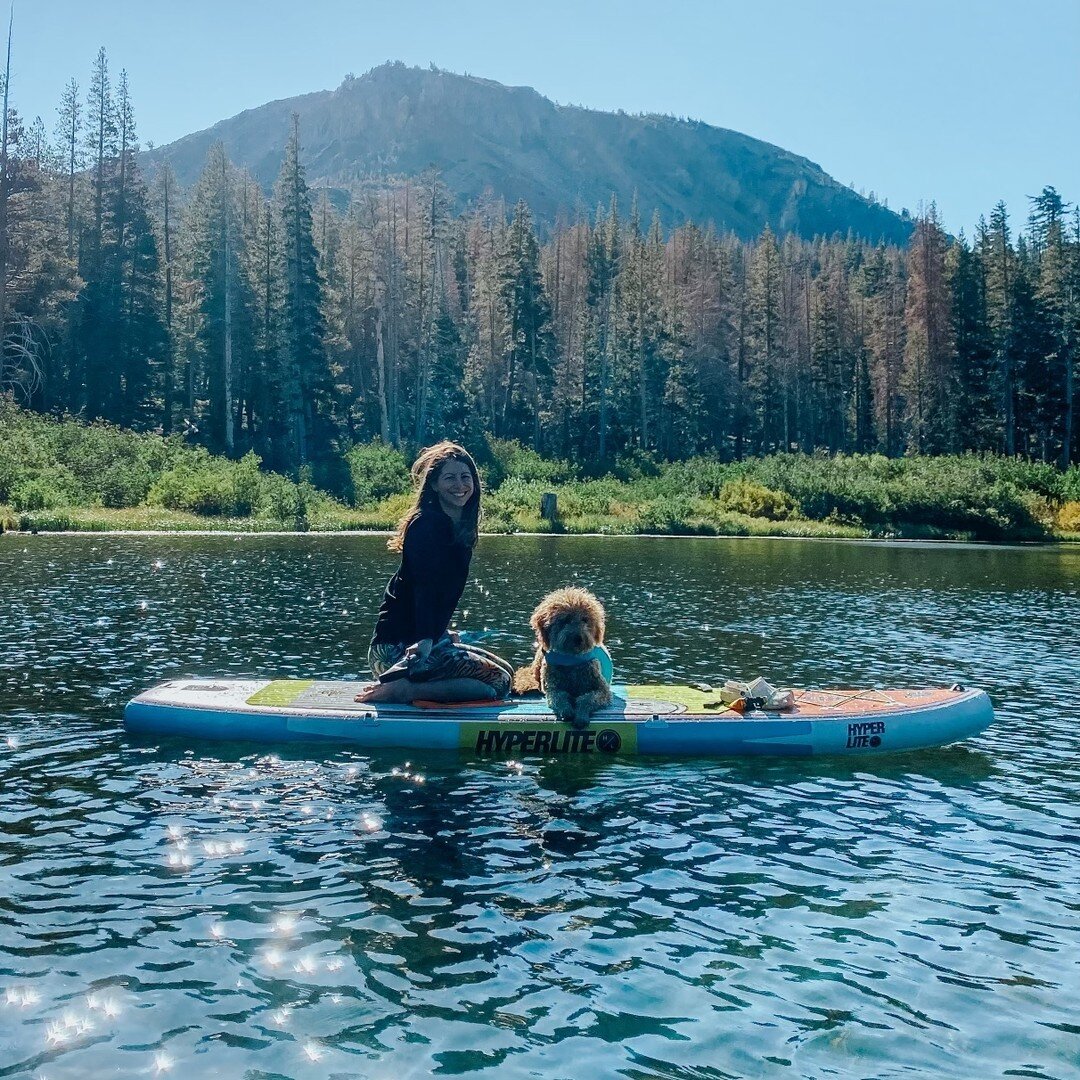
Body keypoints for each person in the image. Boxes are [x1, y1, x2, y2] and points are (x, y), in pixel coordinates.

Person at [355, 441, 513, 704]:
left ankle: (412, 683)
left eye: (465, 477)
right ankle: (405, 690)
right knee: (498, 683)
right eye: (449, 478)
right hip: (397, 651)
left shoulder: (457, 529)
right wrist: (427, 637)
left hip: (420, 640)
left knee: (505, 671)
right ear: (435, 485)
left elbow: (437, 591)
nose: (459, 485)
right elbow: (424, 588)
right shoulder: (427, 525)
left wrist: (439, 631)